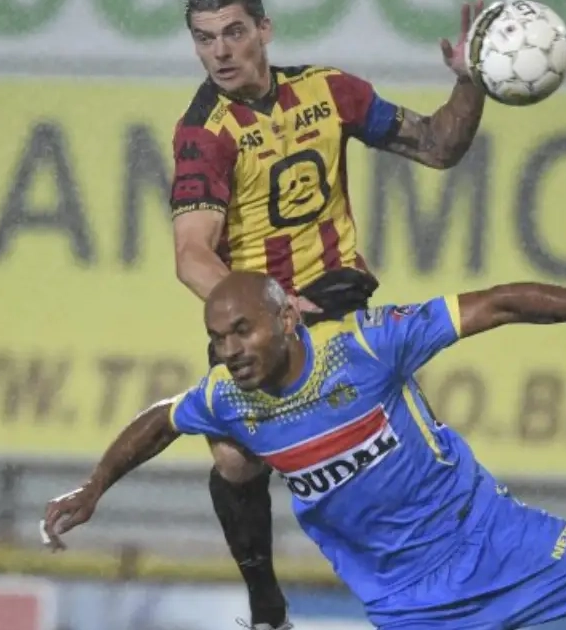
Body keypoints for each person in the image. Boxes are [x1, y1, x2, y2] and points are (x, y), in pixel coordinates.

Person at [43, 272, 566, 630]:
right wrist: (93, 487)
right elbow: (159, 419)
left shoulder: (369, 348)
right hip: (410, 607)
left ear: (287, 315)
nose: (229, 350)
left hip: (499, 538)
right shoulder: (230, 400)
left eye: (241, 329)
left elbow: (504, 304)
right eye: (218, 337)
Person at [164, 0, 489, 626]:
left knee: (380, 435)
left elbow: (439, 146)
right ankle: (266, 601)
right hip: (265, 317)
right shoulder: (204, 132)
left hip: (335, 294)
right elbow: (191, 256)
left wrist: (471, 80)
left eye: (233, 33)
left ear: (264, 30)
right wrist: (267, 306)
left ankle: (454, 555)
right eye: (204, 39)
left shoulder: (329, 91)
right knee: (233, 458)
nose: (220, 52)